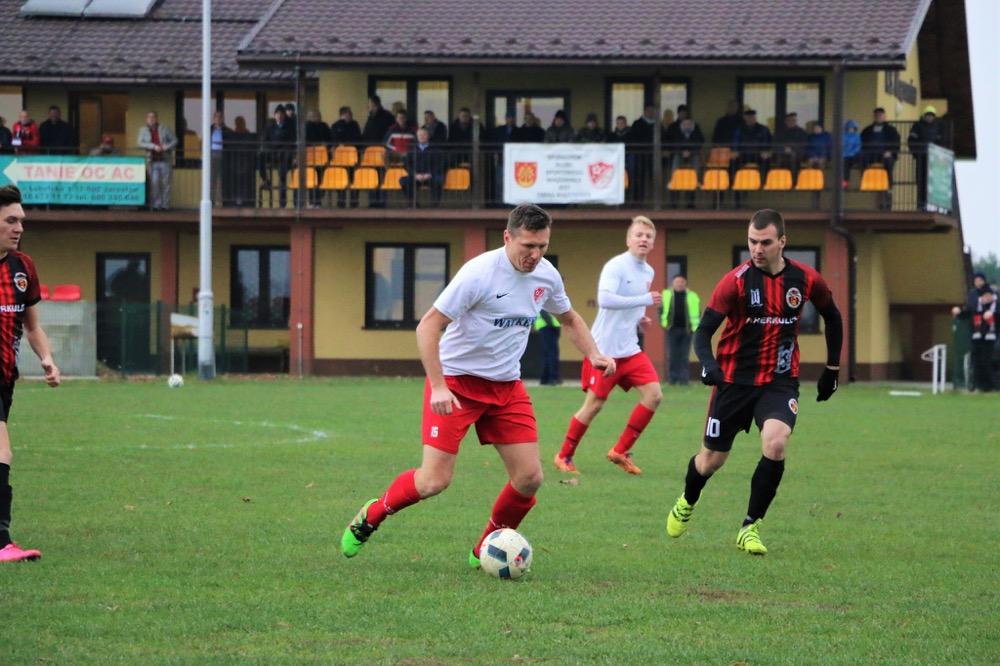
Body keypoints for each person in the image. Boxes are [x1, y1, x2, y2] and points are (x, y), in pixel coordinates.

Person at [340, 204, 616, 566]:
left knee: (529, 478)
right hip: (456, 384)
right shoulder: (479, 274)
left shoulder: (547, 276)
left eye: (542, 246)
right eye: (528, 246)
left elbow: (569, 318)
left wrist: (594, 353)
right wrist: (439, 386)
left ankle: (486, 548)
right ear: (507, 237)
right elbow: (428, 325)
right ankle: (373, 514)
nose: (535, 255)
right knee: (433, 481)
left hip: (506, 387)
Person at [665, 209, 843, 555]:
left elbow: (832, 317)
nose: (757, 249)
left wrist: (832, 370)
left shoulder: (806, 279)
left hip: (779, 381)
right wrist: (709, 366)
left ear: (782, 242)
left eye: (765, 242)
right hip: (733, 382)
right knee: (710, 461)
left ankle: (750, 527)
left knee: (776, 444)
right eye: (752, 242)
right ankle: (687, 500)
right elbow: (703, 332)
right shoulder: (735, 281)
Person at [554, 216, 662, 476]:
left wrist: (640, 318)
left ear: (653, 243)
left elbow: (631, 305)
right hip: (603, 351)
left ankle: (620, 451)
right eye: (638, 235)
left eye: (648, 236)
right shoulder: (616, 266)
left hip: (630, 350)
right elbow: (605, 300)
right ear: (628, 239)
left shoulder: (648, 271)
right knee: (594, 405)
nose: (643, 239)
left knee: (654, 395)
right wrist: (644, 299)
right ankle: (564, 456)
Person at [0, 185, 61, 562]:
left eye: (21, 220)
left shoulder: (22, 267)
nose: (19, 227)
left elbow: (32, 325)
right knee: (1, 450)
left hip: (6, 379)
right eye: (11, 220)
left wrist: (47, 359)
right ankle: (2, 541)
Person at [952, 274, 997, 392]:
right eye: (985, 296)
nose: (987, 298)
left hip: (991, 338)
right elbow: (966, 313)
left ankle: (989, 386)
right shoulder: (975, 305)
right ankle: (978, 385)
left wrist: (992, 314)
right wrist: (958, 313)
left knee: (987, 361)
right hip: (977, 336)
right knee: (977, 360)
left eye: (989, 296)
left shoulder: (995, 306)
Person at [661, 275, 700, 385]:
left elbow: (698, 312)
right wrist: (665, 325)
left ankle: (684, 380)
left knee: (684, 356)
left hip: (687, 330)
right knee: (673, 355)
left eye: (682, 282)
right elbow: (660, 310)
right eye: (677, 282)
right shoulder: (666, 295)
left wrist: (693, 327)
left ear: (685, 283)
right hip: (672, 330)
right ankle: (672, 379)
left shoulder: (692, 296)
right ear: (673, 283)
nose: (679, 284)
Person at [860, 107, 900, 209]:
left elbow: (896, 143)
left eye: (880, 115)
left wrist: (890, 152)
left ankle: (889, 186)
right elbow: (861, 143)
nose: (878, 117)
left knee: (888, 163)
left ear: (885, 117)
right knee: (862, 158)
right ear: (874, 116)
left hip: (885, 155)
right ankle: (864, 181)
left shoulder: (891, 130)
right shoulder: (867, 130)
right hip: (871, 154)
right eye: (876, 115)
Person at [137, 111, 178, 210]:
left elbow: (175, 140)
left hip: (165, 159)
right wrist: (153, 146)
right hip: (152, 160)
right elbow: (140, 143)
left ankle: (165, 206)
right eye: (149, 117)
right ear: (146, 119)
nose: (151, 119)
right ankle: (156, 205)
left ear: (156, 119)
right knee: (154, 183)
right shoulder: (143, 130)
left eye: (153, 117)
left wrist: (166, 147)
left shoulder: (164, 128)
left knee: (166, 183)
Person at [908, 105, 945, 209]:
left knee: (933, 181)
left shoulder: (938, 126)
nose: (930, 117)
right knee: (921, 180)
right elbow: (911, 140)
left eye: (931, 115)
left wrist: (938, 154)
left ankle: (933, 204)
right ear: (924, 115)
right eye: (928, 115)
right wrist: (916, 153)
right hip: (921, 157)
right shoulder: (917, 126)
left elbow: (941, 141)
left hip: (934, 159)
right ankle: (921, 204)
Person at [262, 105, 295, 208]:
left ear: (284, 116)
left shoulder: (289, 128)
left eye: (281, 114)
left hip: (284, 156)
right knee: (260, 155)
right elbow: (264, 141)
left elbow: (292, 142)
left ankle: (282, 203)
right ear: (274, 115)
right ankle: (265, 179)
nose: (279, 116)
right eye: (277, 114)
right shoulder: (270, 127)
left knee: (282, 177)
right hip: (272, 153)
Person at [400, 128, 443, 205]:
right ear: (417, 137)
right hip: (416, 176)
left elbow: (439, 164)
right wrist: (414, 175)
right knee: (403, 181)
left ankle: (434, 205)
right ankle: (413, 203)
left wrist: (430, 174)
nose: (422, 137)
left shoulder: (435, 149)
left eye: (424, 135)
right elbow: (406, 164)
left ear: (428, 136)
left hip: (431, 176)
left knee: (439, 180)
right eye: (420, 135)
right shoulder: (412, 149)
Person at [330, 106, 362, 208]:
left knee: (355, 179)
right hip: (341, 159)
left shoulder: (355, 125)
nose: (351, 115)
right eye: (349, 113)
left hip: (354, 158)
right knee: (341, 180)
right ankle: (341, 202)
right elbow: (334, 140)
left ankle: (354, 202)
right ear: (342, 114)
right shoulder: (335, 126)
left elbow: (358, 139)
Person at [534, 310, 561, 385]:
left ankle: (545, 379)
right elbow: (545, 314)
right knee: (552, 355)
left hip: (545, 328)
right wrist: (556, 329)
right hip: (549, 328)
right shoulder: (541, 306)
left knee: (548, 355)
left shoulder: (537, 306)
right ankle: (552, 378)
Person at [842, 120, 862, 185]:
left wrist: (853, 152)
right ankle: (845, 182)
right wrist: (844, 152)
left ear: (855, 128)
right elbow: (841, 145)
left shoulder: (857, 136)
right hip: (844, 155)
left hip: (853, 155)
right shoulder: (843, 136)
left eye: (852, 128)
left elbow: (858, 146)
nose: (851, 129)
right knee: (845, 165)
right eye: (849, 128)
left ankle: (862, 180)